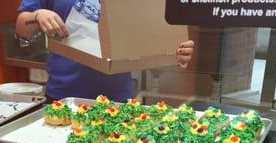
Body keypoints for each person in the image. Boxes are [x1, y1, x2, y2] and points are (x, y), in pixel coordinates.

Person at [16, 0, 194, 102]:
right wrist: (37, 15)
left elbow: (149, 29)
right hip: (63, 97)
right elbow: (21, 28)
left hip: (117, 98)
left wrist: (175, 50)